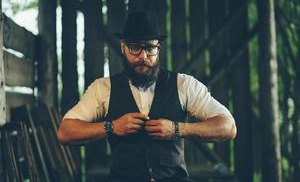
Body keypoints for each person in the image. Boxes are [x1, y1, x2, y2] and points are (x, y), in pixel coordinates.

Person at [57, 10, 237, 182]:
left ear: (158, 48)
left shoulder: (184, 84)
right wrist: (111, 127)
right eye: (135, 47)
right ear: (123, 47)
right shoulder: (103, 88)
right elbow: (65, 132)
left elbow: (228, 127)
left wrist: (177, 129)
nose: (143, 56)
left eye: (150, 48)